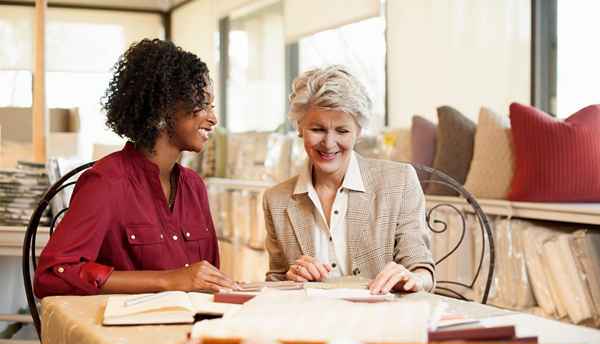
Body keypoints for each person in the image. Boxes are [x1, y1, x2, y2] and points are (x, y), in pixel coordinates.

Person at [34, 38, 236, 298]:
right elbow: (51, 275)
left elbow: (205, 282)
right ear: (164, 107)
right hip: (128, 334)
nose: (213, 118)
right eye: (202, 104)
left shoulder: (194, 186)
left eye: (212, 106)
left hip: (193, 329)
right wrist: (167, 280)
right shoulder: (106, 182)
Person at [263, 65, 435, 294]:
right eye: (317, 129)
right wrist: (291, 278)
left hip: (381, 323)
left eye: (342, 131)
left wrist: (412, 278)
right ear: (300, 127)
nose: (329, 143)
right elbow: (275, 282)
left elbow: (422, 270)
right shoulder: (276, 200)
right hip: (311, 325)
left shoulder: (399, 181)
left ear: (359, 132)